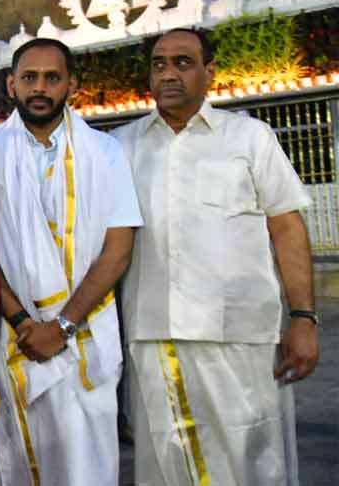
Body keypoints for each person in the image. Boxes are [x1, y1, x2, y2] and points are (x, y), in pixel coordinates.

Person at [112, 28, 319, 486]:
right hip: (156, 335)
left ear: (209, 72)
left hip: (241, 335)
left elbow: (286, 226)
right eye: (159, 64)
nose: (169, 73)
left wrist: (303, 317)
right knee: (165, 466)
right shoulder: (121, 147)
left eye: (183, 63)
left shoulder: (250, 138)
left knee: (254, 460)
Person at [0, 37, 141, 486]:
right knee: (24, 462)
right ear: (12, 84)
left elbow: (118, 247)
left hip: (84, 338)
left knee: (89, 467)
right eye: (29, 77)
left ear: (71, 84)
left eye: (52, 77)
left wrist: (62, 326)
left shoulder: (105, 151)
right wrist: (24, 321)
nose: (39, 87)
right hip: (14, 337)